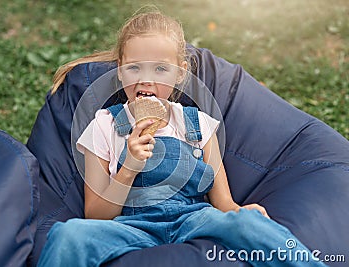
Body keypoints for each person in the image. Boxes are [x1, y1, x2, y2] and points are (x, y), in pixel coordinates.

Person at [37, 9, 326, 267]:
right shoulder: (104, 125)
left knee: (252, 223)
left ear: (180, 74)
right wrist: (130, 168)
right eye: (134, 67)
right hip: (130, 225)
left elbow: (223, 202)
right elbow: (96, 216)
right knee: (68, 234)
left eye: (160, 68)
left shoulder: (197, 123)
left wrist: (242, 214)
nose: (146, 79)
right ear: (120, 72)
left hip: (193, 219)